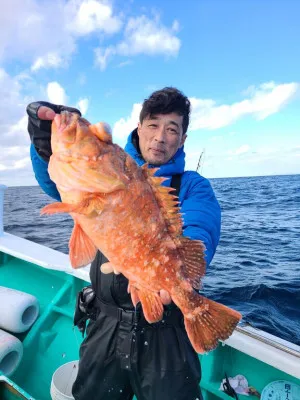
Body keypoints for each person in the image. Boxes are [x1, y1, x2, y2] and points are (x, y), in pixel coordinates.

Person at [27, 87, 221, 400]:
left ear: (182, 139)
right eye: (154, 125)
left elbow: (201, 228)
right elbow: (58, 183)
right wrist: (43, 146)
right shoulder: (112, 164)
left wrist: (176, 271)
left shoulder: (194, 186)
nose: (160, 137)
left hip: (166, 336)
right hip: (105, 324)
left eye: (172, 129)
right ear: (139, 128)